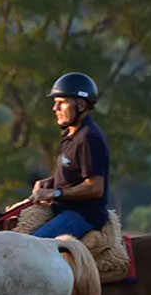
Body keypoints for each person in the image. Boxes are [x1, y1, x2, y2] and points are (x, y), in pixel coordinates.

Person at [29, 72, 110, 239]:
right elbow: (74, 174)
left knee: (34, 244)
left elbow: (95, 187)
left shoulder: (89, 137)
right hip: (63, 209)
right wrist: (49, 183)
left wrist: (53, 193)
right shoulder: (70, 134)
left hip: (81, 216)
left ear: (80, 105)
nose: (55, 109)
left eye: (61, 103)